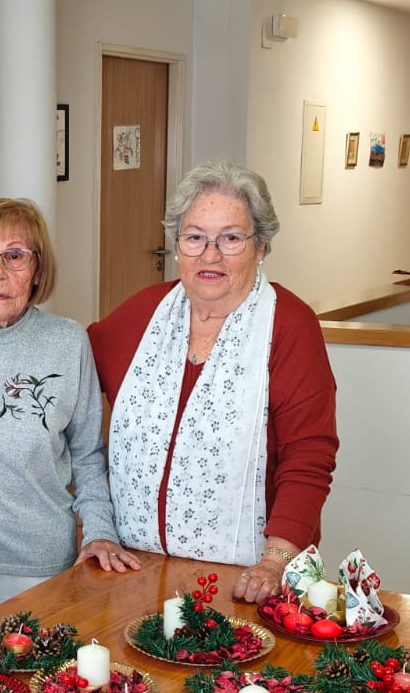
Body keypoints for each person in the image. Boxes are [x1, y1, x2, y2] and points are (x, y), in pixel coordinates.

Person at [87, 160, 338, 606]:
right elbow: (65, 366)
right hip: (135, 572)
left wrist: (275, 561)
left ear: (260, 246)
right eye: (195, 237)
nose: (210, 254)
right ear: (178, 244)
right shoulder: (144, 313)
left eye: (230, 238)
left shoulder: (289, 325)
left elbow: (309, 457)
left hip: (245, 580)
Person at [0, 198, 140, 644]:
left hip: (39, 562)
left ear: (37, 270)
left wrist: (100, 533)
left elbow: (88, 455)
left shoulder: (67, 342)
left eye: (15, 256)